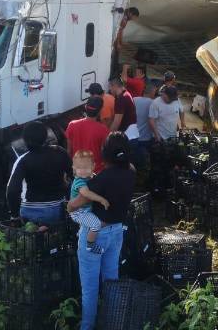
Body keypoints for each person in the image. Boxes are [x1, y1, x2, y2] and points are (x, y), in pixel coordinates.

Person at [68, 132, 137, 330]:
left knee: (90, 288)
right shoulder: (131, 172)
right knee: (111, 280)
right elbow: (127, 164)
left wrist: (69, 205)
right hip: (116, 231)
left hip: (95, 233)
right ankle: (114, 322)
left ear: (104, 153)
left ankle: (87, 327)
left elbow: (76, 204)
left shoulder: (101, 180)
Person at [6, 121, 72, 224]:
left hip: (30, 212)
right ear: (45, 137)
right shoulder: (60, 152)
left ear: (25, 139)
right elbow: (75, 176)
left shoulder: (23, 160)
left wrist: (14, 215)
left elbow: (12, 191)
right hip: (58, 208)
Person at [69, 150, 110, 250]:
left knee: (96, 222)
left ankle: (82, 232)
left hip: (86, 209)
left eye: (86, 167)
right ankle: (90, 245)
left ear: (93, 166)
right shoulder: (79, 181)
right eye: (79, 168)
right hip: (79, 212)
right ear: (74, 168)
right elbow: (86, 193)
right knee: (96, 224)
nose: (82, 170)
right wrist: (101, 200)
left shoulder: (91, 177)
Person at [66, 96, 110, 174]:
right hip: (95, 172)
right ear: (100, 111)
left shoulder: (72, 125)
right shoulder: (103, 130)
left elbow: (69, 151)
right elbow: (105, 154)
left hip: (77, 171)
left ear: (86, 107)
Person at [108, 77, 139, 141]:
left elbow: (116, 123)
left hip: (127, 137)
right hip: (133, 135)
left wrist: (107, 137)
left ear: (115, 86)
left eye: (110, 87)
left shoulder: (121, 99)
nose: (109, 89)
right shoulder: (126, 93)